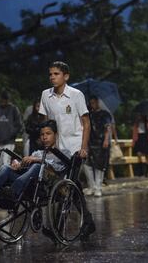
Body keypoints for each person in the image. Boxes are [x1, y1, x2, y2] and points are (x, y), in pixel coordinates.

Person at [38, 61, 95, 237]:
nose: (52, 77)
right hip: (57, 149)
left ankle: (56, 228)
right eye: (50, 74)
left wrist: (83, 148)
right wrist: (46, 143)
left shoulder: (76, 95)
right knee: (68, 185)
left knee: (67, 187)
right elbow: (45, 122)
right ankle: (88, 222)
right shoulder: (45, 95)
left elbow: (86, 123)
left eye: (56, 74)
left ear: (66, 76)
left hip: (75, 148)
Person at [0, 120, 70, 201]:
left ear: (55, 135)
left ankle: (11, 192)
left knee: (37, 166)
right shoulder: (37, 153)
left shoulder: (63, 153)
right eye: (42, 134)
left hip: (47, 185)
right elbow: (26, 169)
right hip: (29, 184)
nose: (44, 137)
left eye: (48, 133)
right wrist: (19, 165)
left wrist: (37, 160)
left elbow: (58, 168)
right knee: (5, 167)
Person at [0, 90, 23, 165]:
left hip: (9, 141)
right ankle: (4, 176)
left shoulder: (14, 109)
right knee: (0, 163)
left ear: (9, 99)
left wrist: (11, 135)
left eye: (6, 99)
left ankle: (6, 176)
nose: (4, 101)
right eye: (3, 99)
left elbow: (19, 125)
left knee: (5, 162)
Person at [84, 95, 112, 197]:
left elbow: (108, 127)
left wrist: (106, 140)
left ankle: (98, 187)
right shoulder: (89, 115)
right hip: (91, 142)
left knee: (99, 166)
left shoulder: (105, 114)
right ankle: (91, 186)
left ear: (97, 102)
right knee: (87, 165)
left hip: (101, 142)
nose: (92, 105)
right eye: (90, 103)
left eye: (93, 103)